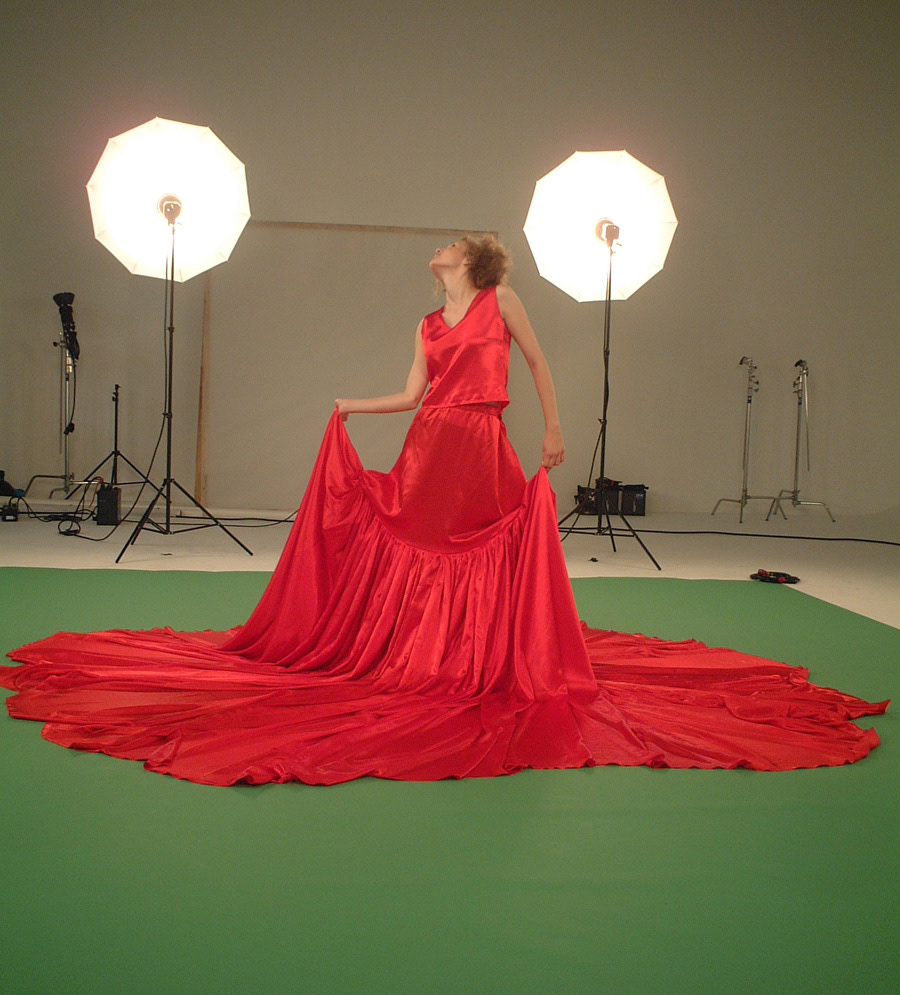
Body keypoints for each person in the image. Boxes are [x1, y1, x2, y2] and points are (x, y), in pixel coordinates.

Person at [1, 236, 886, 785]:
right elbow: (411, 396)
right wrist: (351, 408)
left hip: (482, 442)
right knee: (414, 546)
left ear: (474, 260)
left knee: (492, 545)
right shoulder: (428, 325)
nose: (439, 247)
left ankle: (487, 656)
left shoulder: (503, 301)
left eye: (452, 244)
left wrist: (555, 428)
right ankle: (420, 655)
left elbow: (536, 366)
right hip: (430, 446)